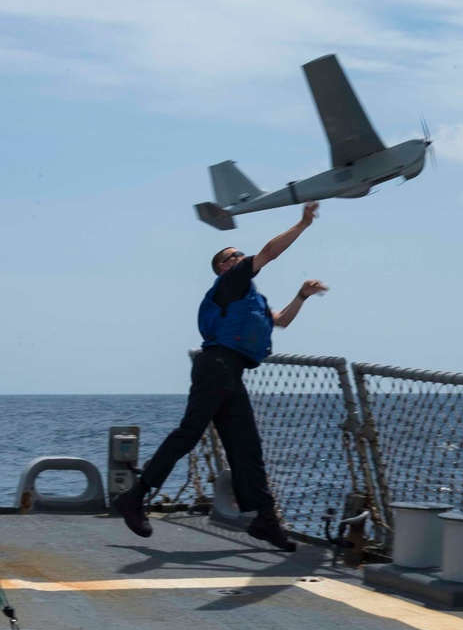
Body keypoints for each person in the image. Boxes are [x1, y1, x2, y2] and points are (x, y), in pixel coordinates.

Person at [114, 202, 329, 551]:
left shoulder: (250, 297)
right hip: (217, 366)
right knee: (188, 434)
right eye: (231, 257)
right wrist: (302, 224)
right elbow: (270, 252)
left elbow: (282, 320)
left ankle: (265, 518)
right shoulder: (231, 282)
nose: (238, 258)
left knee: (247, 448)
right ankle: (135, 497)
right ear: (222, 269)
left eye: (239, 255)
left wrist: (302, 295)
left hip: (231, 372)